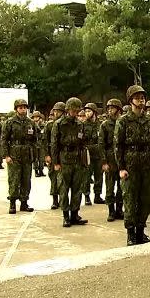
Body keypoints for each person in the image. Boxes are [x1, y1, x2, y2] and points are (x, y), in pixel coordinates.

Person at [115, 85, 150, 245]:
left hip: (146, 165)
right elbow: (118, 145)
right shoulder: (123, 121)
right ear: (131, 100)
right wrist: (121, 167)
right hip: (130, 165)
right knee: (130, 200)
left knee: (145, 199)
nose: (141, 100)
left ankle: (141, 231)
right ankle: (131, 234)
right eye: (138, 98)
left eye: (142, 98)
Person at [52, 97, 89, 228]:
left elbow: (83, 142)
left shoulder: (80, 124)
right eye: (73, 110)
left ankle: (75, 214)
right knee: (63, 188)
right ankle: (66, 216)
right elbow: (54, 144)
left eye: (77, 110)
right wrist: (55, 162)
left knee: (77, 189)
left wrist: (84, 159)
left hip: (77, 159)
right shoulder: (59, 124)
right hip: (64, 159)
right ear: (67, 110)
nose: (75, 113)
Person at [101, 98, 124, 221]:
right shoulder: (105, 125)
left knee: (122, 187)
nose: (110, 110)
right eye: (108, 108)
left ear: (118, 109)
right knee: (110, 187)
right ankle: (111, 211)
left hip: (120, 159)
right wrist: (104, 162)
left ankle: (119, 210)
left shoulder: (123, 122)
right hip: (110, 158)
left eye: (112, 108)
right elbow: (101, 145)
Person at [82, 103, 105, 206]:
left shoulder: (101, 125)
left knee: (99, 176)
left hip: (99, 154)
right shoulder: (82, 125)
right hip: (88, 155)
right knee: (86, 176)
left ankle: (97, 195)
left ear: (94, 112)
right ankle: (87, 196)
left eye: (89, 111)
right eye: (86, 111)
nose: (87, 113)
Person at [45, 102, 65, 209]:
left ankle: (63, 200)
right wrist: (47, 155)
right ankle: (55, 200)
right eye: (55, 111)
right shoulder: (49, 125)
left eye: (59, 111)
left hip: (63, 155)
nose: (57, 113)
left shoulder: (65, 124)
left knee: (63, 180)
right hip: (52, 154)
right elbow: (45, 141)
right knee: (53, 177)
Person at [31, 111, 46, 177]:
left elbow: (43, 134)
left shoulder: (43, 125)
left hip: (41, 143)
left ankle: (41, 170)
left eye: (37, 117)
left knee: (41, 158)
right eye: (34, 117)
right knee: (35, 159)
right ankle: (36, 171)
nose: (36, 118)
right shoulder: (31, 125)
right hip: (34, 144)